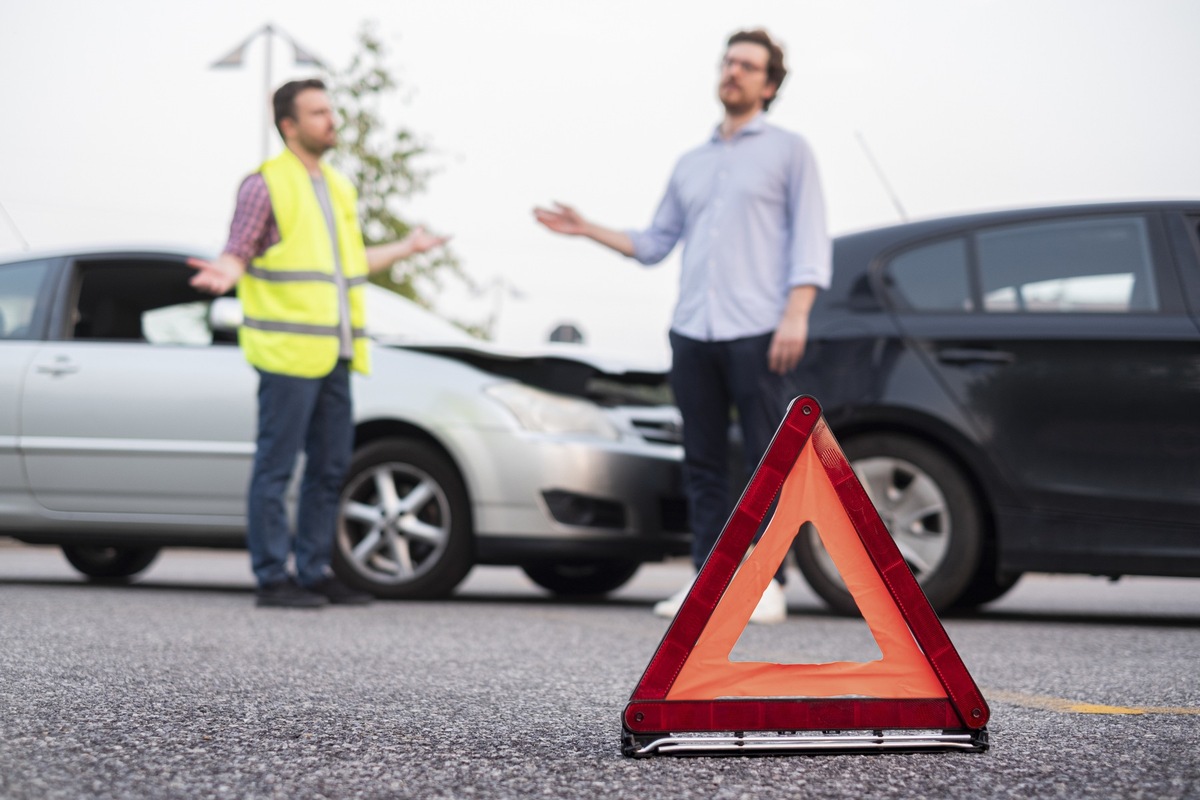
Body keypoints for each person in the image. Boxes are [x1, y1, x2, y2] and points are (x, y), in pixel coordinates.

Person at [533, 30, 831, 624]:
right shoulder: (690, 164)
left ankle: (765, 582)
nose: (733, 71)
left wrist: (796, 313)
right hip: (693, 331)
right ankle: (708, 580)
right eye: (728, 61)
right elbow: (653, 244)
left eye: (748, 65)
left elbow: (810, 240)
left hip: (758, 331)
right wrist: (587, 227)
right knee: (701, 462)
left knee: (767, 459)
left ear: (769, 85)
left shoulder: (790, 152)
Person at [190, 78, 448, 608]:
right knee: (277, 466)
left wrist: (408, 246)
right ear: (289, 126)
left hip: (337, 353)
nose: (332, 120)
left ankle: (313, 569)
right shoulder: (265, 184)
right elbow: (238, 248)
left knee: (331, 468)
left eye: (330, 110)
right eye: (318, 113)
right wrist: (225, 269)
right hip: (287, 354)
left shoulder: (338, 187)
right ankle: (271, 575)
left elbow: (352, 264)